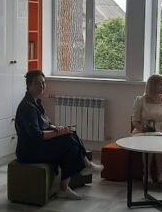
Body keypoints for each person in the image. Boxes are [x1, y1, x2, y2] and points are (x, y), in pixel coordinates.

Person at [14, 70, 103, 200]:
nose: (41, 86)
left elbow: (46, 123)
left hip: (38, 145)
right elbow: (36, 135)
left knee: (71, 135)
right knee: (68, 140)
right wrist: (58, 134)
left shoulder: (36, 102)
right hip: (29, 151)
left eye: (43, 83)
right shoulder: (27, 107)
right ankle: (84, 168)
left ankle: (69, 183)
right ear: (29, 85)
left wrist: (56, 128)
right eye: (37, 83)